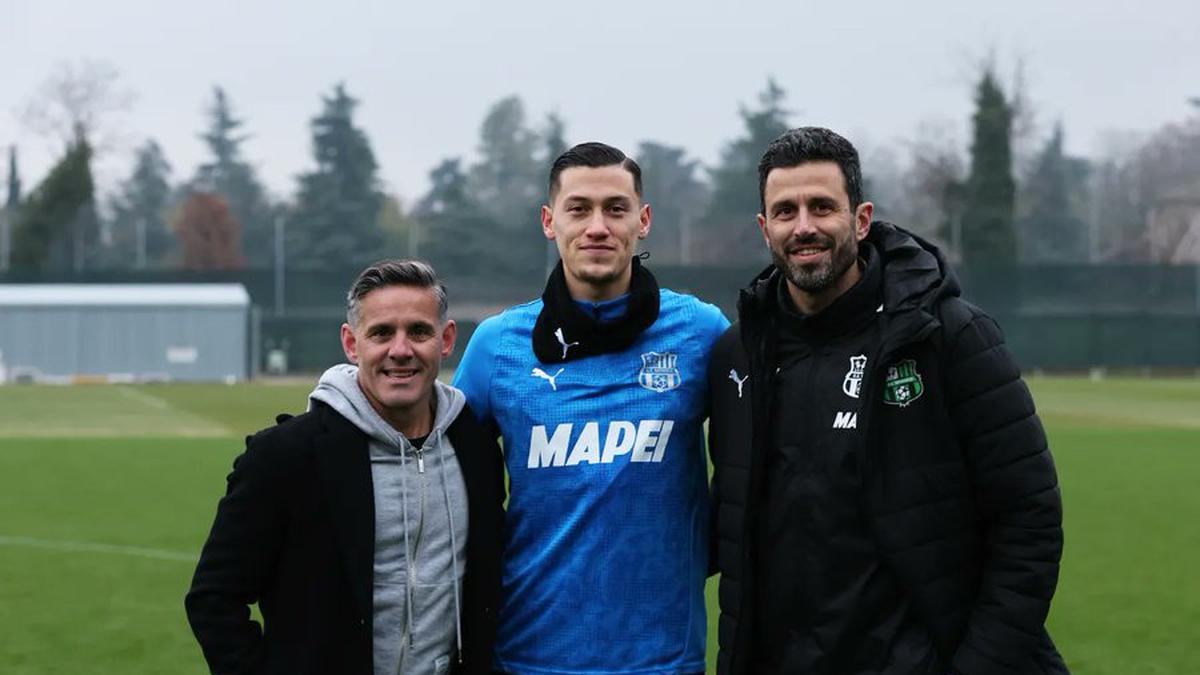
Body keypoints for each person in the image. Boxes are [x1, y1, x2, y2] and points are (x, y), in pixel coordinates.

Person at [707, 127, 1068, 675]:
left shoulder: (947, 336)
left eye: (822, 206)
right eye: (785, 211)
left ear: (861, 217)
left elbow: (1029, 520)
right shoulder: (739, 353)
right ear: (765, 227)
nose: (803, 226)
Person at [453, 142, 729, 674]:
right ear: (548, 221)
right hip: (530, 657)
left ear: (643, 220)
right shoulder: (496, 346)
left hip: (663, 661)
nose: (597, 226)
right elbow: (437, 476)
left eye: (616, 208)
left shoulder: (699, 331)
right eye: (578, 209)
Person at [186, 260, 505, 675]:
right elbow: (214, 598)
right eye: (381, 333)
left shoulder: (475, 446)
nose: (401, 350)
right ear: (352, 344)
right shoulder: (284, 456)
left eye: (419, 331)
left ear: (445, 340)